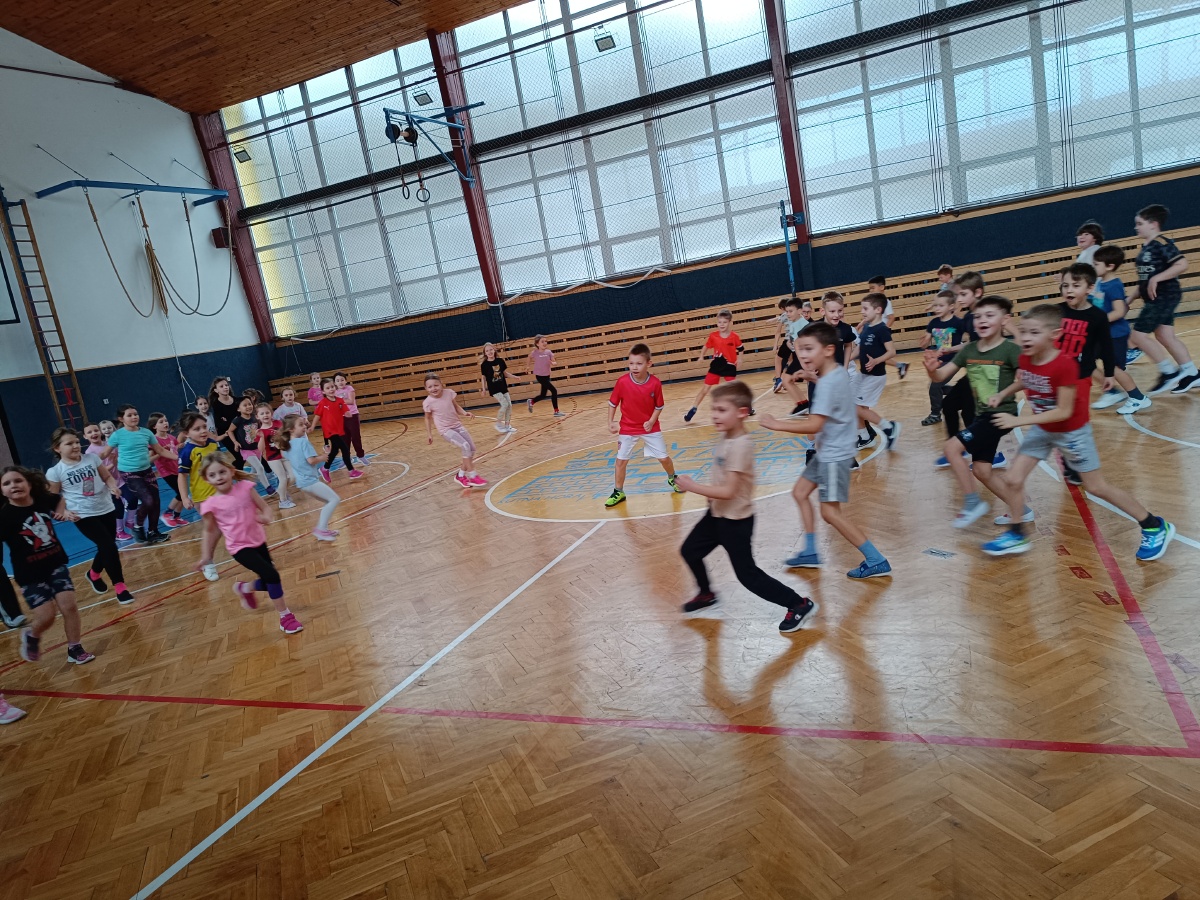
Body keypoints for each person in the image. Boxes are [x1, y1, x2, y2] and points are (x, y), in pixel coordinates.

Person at [980, 304, 1175, 561]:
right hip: (1043, 429)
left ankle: (1153, 525)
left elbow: (1063, 412)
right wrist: (1003, 393)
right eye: (1023, 331)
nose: (1025, 337)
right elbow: (1026, 379)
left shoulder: (1065, 365)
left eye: (1034, 332)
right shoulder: (1027, 357)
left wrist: (1018, 421)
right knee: (1013, 479)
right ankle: (1016, 534)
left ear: (1054, 335)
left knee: (1096, 487)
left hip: (1071, 432)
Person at [674, 380, 818, 633]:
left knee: (748, 576)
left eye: (722, 410)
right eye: (714, 409)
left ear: (741, 412)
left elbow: (729, 491)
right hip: (716, 516)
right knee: (690, 551)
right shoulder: (726, 436)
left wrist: (692, 486)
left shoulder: (741, 445)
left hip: (735, 523)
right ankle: (706, 594)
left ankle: (798, 604)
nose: (715, 415)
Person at [759, 322, 892, 579]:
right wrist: (813, 378)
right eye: (800, 350)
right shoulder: (837, 372)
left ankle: (876, 559)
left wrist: (777, 424)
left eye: (809, 349)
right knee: (800, 493)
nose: (803, 355)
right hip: (829, 452)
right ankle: (810, 551)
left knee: (830, 513)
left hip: (834, 456)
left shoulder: (828, 384)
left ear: (829, 349)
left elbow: (814, 425)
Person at [924, 295, 1021, 528]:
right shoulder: (969, 350)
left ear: (1005, 319)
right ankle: (1021, 510)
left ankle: (972, 503)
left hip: (1000, 416)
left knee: (951, 448)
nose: (982, 320)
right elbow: (941, 376)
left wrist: (1003, 394)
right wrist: (932, 370)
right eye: (978, 316)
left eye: (989, 315)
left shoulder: (1010, 350)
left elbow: (1025, 380)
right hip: (982, 415)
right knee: (981, 470)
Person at [194, 452, 303, 634]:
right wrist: (206, 557)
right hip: (239, 548)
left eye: (222, 472)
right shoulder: (211, 504)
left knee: (268, 579)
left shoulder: (246, 488)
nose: (218, 477)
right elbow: (210, 531)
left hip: (258, 541)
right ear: (206, 479)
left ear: (231, 471)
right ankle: (285, 617)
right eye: (212, 475)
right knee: (272, 576)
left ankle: (244, 588)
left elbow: (265, 507)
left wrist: (266, 517)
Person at [0, 466, 95, 665]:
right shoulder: (4, 516)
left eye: (18, 480)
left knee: (69, 606)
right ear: (2, 491)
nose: (13, 485)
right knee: (47, 617)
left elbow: (59, 500)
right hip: (29, 575)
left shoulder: (42, 500)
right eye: (7, 483)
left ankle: (75, 648)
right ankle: (32, 635)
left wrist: (61, 513)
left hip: (55, 564)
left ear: (29, 484)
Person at [45, 427, 135, 605]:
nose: (75, 446)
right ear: (57, 448)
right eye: (69, 443)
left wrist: (112, 486)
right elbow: (52, 499)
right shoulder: (55, 471)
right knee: (109, 546)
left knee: (107, 545)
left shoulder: (92, 458)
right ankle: (120, 586)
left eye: (77, 442)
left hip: (106, 507)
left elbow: (107, 476)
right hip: (82, 514)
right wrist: (64, 512)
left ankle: (93, 573)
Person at [936, 271, 1006, 470]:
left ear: (978, 292)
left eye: (963, 294)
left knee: (970, 414)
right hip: (975, 373)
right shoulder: (969, 317)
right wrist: (950, 349)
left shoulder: (989, 315)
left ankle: (991, 455)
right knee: (950, 405)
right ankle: (959, 450)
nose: (959, 299)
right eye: (957, 295)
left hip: (987, 375)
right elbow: (972, 344)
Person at [1056, 262, 1116, 485]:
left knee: (1078, 422)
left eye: (1075, 285)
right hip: (1057, 378)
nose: (1069, 290)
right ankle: (1069, 461)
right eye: (1065, 286)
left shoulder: (1097, 317)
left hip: (1081, 377)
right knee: (1061, 419)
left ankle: (1079, 461)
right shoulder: (1056, 311)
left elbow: (1107, 347)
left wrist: (1109, 374)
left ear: (1090, 288)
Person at [1130, 205, 1197, 395]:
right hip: (1157, 298)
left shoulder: (1161, 243)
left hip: (1164, 296)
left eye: (1140, 224)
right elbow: (1145, 279)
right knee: (1165, 336)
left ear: (1153, 224)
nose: (1136, 227)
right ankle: (1192, 374)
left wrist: (1157, 279)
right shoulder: (1147, 247)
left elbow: (1182, 264)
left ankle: (1168, 372)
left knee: (1137, 336)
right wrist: (1129, 298)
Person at [604, 343, 679, 509]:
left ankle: (672, 478)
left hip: (650, 428)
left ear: (648, 364)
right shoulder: (622, 382)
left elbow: (659, 406)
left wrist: (651, 421)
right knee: (620, 461)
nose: (634, 367)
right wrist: (610, 422)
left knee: (663, 458)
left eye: (639, 363)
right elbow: (612, 403)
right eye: (631, 363)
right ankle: (618, 491)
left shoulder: (655, 383)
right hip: (627, 428)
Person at [1087, 246, 1151, 415]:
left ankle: (1138, 398)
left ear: (1110, 266)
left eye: (1096, 264)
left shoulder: (1114, 285)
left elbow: (1120, 311)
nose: (1093, 267)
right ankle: (1112, 392)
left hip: (1115, 335)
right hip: (1102, 335)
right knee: (1085, 361)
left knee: (1114, 368)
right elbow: (1097, 305)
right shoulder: (1100, 283)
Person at [108, 404, 176, 544]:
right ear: (121, 419)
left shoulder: (146, 433)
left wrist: (179, 458)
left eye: (136, 414)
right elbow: (104, 453)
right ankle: (137, 526)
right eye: (129, 415)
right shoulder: (117, 435)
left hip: (146, 470)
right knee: (148, 500)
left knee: (156, 501)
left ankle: (153, 531)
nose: (134, 417)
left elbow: (160, 450)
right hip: (129, 472)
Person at [274, 415, 342, 540]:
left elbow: (290, 458)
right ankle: (321, 530)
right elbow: (311, 461)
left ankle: (323, 530)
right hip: (310, 482)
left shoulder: (286, 446)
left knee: (329, 501)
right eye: (300, 425)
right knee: (334, 499)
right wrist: (322, 457)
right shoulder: (303, 442)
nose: (304, 426)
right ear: (291, 429)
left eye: (304, 424)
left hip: (302, 484)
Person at [177, 412, 225, 580]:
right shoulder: (188, 451)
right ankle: (208, 562)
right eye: (197, 429)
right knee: (213, 528)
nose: (203, 431)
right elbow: (182, 476)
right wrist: (184, 498)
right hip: (203, 498)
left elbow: (223, 466)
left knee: (228, 525)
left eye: (204, 427)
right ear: (187, 433)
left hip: (222, 494)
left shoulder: (213, 444)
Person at [854, 294, 901, 451]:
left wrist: (876, 361)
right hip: (863, 374)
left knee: (857, 407)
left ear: (878, 310)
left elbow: (891, 352)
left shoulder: (882, 329)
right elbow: (859, 349)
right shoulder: (867, 326)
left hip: (875, 376)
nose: (862, 311)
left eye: (865, 308)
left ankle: (888, 427)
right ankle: (864, 437)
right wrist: (844, 361)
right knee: (854, 406)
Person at [423, 373, 486, 488]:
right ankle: (473, 476)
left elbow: (456, 406)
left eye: (436, 385)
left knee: (472, 449)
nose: (433, 388)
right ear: (426, 389)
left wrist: (464, 413)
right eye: (430, 387)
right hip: (445, 429)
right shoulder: (428, 402)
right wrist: (429, 434)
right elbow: (427, 418)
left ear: (441, 384)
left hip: (457, 425)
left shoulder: (449, 393)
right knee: (465, 446)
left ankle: (460, 475)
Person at [684, 310, 743, 423]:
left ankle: (744, 407)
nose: (722, 324)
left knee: (733, 389)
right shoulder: (713, 336)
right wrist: (701, 356)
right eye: (720, 322)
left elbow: (741, 349)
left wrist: (740, 359)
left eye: (724, 322)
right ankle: (693, 408)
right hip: (716, 365)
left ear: (730, 322)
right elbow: (706, 346)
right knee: (705, 389)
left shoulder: (734, 336)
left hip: (730, 366)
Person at [920, 290, 965, 426]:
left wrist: (953, 349)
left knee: (934, 386)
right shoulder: (933, 323)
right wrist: (925, 343)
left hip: (954, 360)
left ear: (951, 306)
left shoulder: (959, 323)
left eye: (941, 306)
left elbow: (971, 342)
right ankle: (963, 394)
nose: (937, 309)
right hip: (940, 361)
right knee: (937, 387)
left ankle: (935, 414)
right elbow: (926, 342)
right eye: (935, 306)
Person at [312, 378, 361, 483]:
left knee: (335, 451)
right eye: (328, 388)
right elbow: (317, 415)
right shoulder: (323, 403)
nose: (331, 389)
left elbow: (346, 411)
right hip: (330, 431)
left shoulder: (340, 400)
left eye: (332, 387)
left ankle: (325, 468)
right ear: (323, 391)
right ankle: (351, 471)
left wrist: (348, 414)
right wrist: (312, 427)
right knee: (345, 449)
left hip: (339, 430)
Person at [147, 412, 188, 528]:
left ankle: (176, 516)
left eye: (165, 420)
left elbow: (176, 449)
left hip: (176, 469)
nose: (165, 423)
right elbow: (149, 459)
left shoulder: (171, 437)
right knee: (180, 493)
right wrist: (161, 451)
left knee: (184, 493)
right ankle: (167, 513)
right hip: (166, 471)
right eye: (161, 422)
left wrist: (180, 445)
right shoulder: (154, 441)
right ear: (154, 426)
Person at [229, 395, 275, 493]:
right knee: (260, 467)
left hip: (257, 448)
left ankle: (246, 483)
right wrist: (235, 442)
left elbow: (261, 428)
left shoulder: (255, 418)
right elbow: (230, 431)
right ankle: (268, 487)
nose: (248, 406)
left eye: (249, 404)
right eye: (245, 405)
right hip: (246, 450)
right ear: (238, 409)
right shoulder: (238, 420)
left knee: (254, 469)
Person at [255, 403, 295, 510]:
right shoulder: (260, 432)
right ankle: (283, 501)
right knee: (283, 478)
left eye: (267, 412)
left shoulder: (278, 423)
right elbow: (260, 449)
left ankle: (282, 491)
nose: (265, 415)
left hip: (284, 454)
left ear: (271, 413)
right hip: (272, 458)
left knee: (293, 476)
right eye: (262, 413)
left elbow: (287, 435)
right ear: (257, 417)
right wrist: (262, 437)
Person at [779, 298, 811, 416]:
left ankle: (802, 404)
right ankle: (803, 403)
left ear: (799, 311)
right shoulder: (793, 324)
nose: (788, 314)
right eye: (787, 311)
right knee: (788, 380)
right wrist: (789, 343)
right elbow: (792, 341)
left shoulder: (804, 325)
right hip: (797, 356)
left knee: (786, 380)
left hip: (802, 357)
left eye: (790, 311)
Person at [481, 342, 520, 434]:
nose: (489, 352)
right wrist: (484, 389)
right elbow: (483, 378)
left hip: (503, 387)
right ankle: (498, 423)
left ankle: (507, 426)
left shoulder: (500, 361)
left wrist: (514, 377)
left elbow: (505, 373)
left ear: (494, 350)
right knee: (505, 404)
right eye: (487, 351)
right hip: (494, 389)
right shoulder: (484, 365)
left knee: (509, 405)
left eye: (491, 349)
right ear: (485, 353)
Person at [334, 372, 368, 466]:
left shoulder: (349, 388)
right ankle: (346, 458)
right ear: (335, 383)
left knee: (356, 437)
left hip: (352, 415)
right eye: (337, 380)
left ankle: (360, 455)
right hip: (341, 417)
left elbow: (351, 401)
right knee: (344, 439)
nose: (340, 382)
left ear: (346, 381)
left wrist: (338, 401)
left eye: (342, 380)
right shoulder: (334, 392)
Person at [525, 335, 563, 417]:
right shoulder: (535, 352)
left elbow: (554, 362)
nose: (545, 343)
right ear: (537, 344)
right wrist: (527, 366)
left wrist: (553, 363)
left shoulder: (548, 352)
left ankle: (531, 401)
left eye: (546, 341)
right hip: (539, 376)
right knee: (554, 391)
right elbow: (529, 357)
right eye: (542, 341)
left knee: (543, 395)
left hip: (546, 376)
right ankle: (556, 411)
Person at [208, 377, 241, 456]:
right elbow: (219, 424)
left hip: (239, 431)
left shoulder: (236, 400)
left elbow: (241, 418)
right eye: (221, 386)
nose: (225, 387)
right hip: (226, 434)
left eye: (226, 385)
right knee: (239, 457)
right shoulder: (216, 404)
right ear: (216, 390)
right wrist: (233, 421)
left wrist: (228, 420)